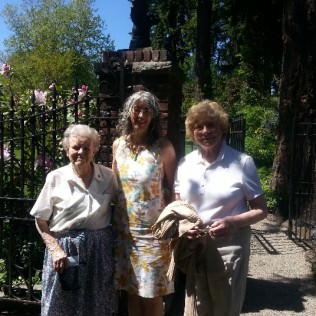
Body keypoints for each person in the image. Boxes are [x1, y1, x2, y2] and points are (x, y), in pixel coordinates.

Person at [174, 100, 268, 316]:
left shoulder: (242, 162)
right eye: (199, 126)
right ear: (192, 132)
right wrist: (184, 227)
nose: (205, 131)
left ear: (222, 127)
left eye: (211, 125)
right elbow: (178, 205)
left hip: (230, 245)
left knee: (225, 307)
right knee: (196, 307)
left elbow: (261, 209)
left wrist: (232, 222)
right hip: (195, 244)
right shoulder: (184, 164)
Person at [30, 124, 117, 316]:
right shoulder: (55, 178)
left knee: (97, 306)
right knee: (61, 306)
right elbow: (41, 220)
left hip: (99, 253)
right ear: (66, 148)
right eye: (76, 147)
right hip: (65, 252)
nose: (81, 152)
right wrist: (55, 249)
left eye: (87, 148)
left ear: (94, 149)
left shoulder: (108, 177)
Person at [112, 90, 177, 316]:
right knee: (131, 291)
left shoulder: (163, 147)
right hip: (125, 233)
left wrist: (173, 223)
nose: (140, 115)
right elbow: (114, 185)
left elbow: (174, 189)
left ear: (153, 116)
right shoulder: (118, 145)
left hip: (153, 234)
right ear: (128, 113)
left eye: (146, 110)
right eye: (136, 109)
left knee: (151, 294)